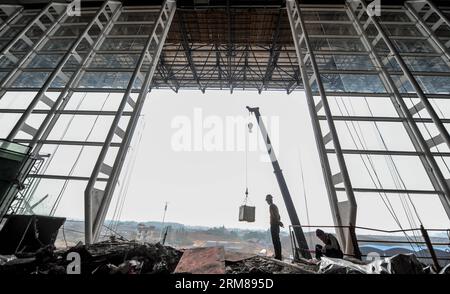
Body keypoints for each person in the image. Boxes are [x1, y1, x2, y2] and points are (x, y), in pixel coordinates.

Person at [265, 194, 283, 260]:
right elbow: (278, 216)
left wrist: (277, 222)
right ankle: (279, 255)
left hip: (274, 225)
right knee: (277, 241)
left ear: (269, 200)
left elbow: (274, 216)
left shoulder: (271, 206)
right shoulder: (275, 206)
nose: (267, 201)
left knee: (275, 241)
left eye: (267, 200)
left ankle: (277, 256)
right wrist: (279, 222)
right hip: (276, 225)